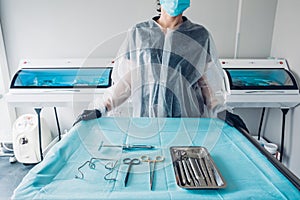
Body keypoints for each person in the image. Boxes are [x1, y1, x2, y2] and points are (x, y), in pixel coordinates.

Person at [75, 0, 249, 132]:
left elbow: (205, 85)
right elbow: (128, 82)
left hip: (187, 125)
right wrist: (100, 108)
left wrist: (221, 111)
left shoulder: (200, 36)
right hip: (147, 124)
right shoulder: (140, 33)